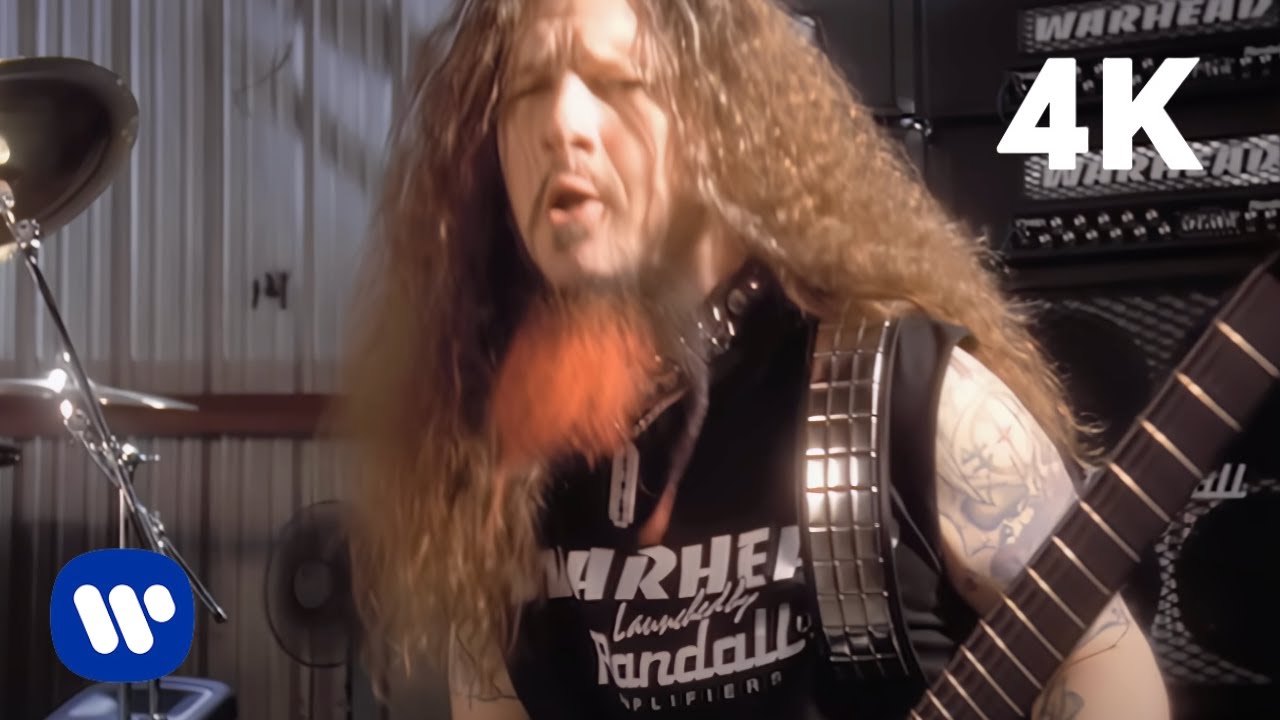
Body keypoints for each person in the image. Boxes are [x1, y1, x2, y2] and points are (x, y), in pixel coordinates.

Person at [340, 0, 1171, 718]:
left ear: (721, 119)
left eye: (616, 81)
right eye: (525, 89)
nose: (561, 122)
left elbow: (1100, 660)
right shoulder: (502, 461)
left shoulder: (896, 391)